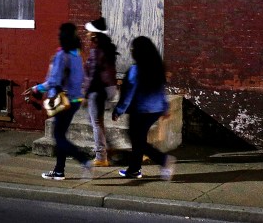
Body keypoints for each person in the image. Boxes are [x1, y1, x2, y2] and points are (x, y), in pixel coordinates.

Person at [23, 23, 92, 181]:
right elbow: (81, 78)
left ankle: (84, 160)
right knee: (61, 135)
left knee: (59, 136)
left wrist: (36, 88)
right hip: (74, 100)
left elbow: (53, 80)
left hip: (63, 100)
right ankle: (59, 171)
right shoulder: (77, 54)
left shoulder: (62, 55)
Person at [112, 36, 176, 181]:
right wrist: (165, 107)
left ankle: (163, 160)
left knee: (137, 141)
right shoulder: (157, 68)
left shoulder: (135, 70)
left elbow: (128, 94)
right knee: (138, 140)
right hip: (154, 110)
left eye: (133, 49)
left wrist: (119, 110)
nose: (131, 51)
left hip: (139, 111)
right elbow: (161, 91)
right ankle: (134, 169)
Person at [83, 17, 119, 167]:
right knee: (96, 121)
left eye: (88, 31)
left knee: (96, 122)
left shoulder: (96, 51)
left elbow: (93, 75)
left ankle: (101, 157)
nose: (86, 33)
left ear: (94, 34)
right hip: (109, 88)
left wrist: (85, 93)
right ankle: (105, 150)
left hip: (97, 89)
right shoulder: (108, 48)